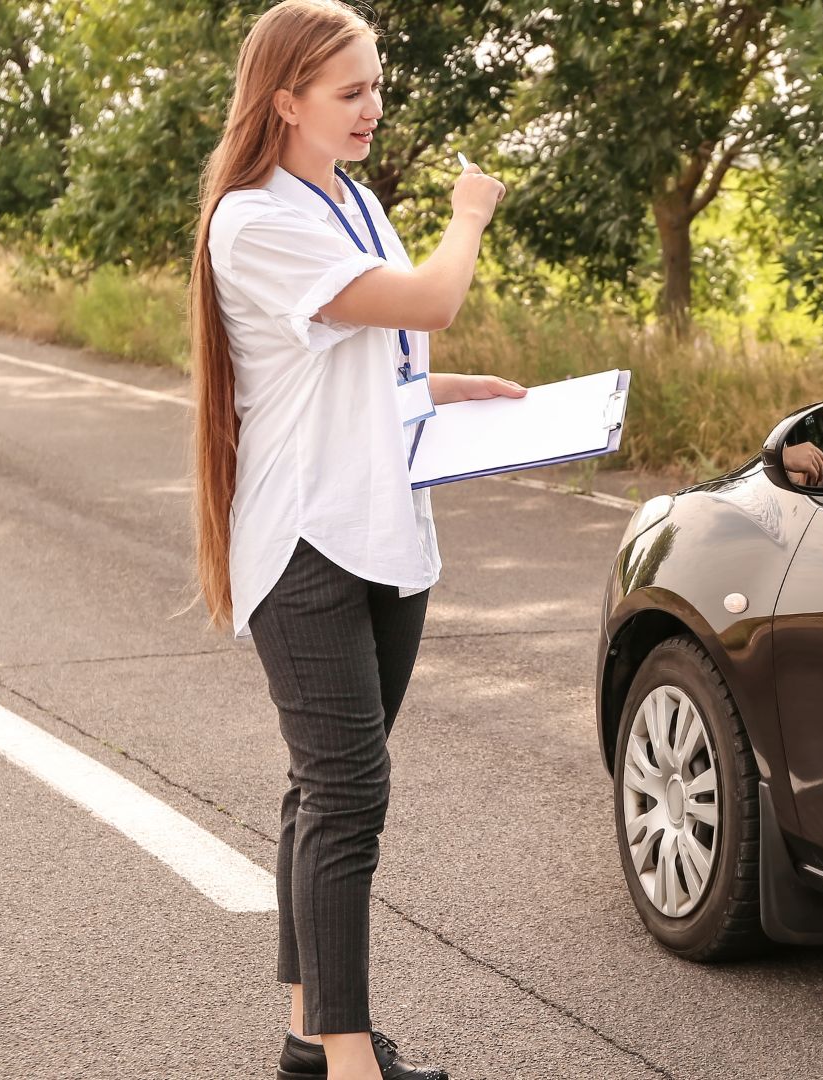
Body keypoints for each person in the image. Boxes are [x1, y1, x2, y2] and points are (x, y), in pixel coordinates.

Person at [187, 2, 522, 1077]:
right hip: (309, 540)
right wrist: (469, 214)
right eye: (351, 92)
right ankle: (345, 1059)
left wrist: (451, 390)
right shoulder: (255, 220)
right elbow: (432, 295)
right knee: (347, 796)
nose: (374, 107)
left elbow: (380, 354)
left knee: (322, 788)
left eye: (378, 86)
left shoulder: (359, 204)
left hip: (386, 532)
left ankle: (306, 1040)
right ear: (285, 102)